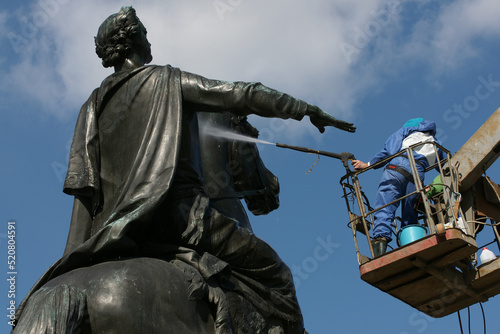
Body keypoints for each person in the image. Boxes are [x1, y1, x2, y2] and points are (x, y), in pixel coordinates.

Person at [16, 6, 355, 333]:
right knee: (277, 275)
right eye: (145, 33)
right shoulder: (165, 80)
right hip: (181, 218)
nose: (150, 40)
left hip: (114, 232)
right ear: (134, 40)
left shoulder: (92, 105)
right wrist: (303, 108)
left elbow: (85, 186)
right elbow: (239, 94)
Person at [352, 118, 445, 256]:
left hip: (397, 167)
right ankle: (413, 245)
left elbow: (389, 150)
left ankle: (380, 243)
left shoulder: (406, 131)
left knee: (385, 204)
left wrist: (368, 164)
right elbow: (448, 167)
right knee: (410, 212)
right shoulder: (436, 143)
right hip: (417, 177)